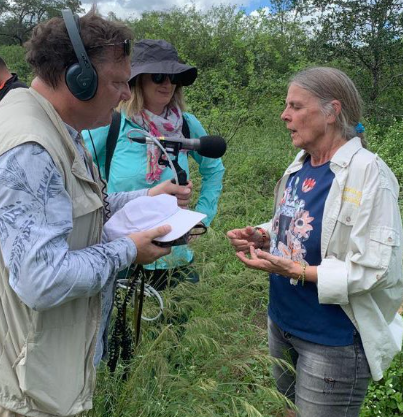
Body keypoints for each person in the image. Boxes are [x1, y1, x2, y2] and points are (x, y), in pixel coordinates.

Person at [0, 9, 192, 417]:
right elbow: (41, 279)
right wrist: (128, 250)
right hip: (28, 393)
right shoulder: (32, 148)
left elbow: (86, 208)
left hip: (48, 370)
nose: (126, 94)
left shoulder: (58, 129)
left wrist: (149, 197)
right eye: (118, 83)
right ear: (78, 78)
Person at [227, 67, 403, 417]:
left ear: (331, 111)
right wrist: (263, 234)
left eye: (295, 106)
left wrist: (297, 269)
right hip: (283, 321)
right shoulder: (301, 164)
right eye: (286, 105)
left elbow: (377, 268)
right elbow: (301, 222)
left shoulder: (370, 174)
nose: (284, 115)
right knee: (290, 409)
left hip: (333, 339)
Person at [82, 39, 225, 290]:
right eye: (158, 76)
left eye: (173, 77)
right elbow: (76, 173)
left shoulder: (186, 124)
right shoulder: (113, 124)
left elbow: (214, 169)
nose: (168, 84)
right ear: (138, 80)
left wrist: (202, 218)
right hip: (124, 252)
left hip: (174, 256)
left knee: (175, 325)